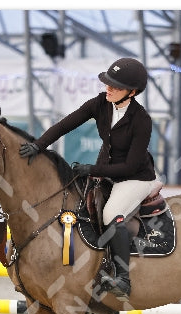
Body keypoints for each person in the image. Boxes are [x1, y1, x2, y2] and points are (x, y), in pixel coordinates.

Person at [19, 57, 161, 300]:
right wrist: (38, 145)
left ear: (132, 92)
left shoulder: (141, 120)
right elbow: (65, 125)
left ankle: (122, 278)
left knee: (110, 214)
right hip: (105, 172)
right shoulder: (100, 103)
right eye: (108, 83)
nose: (109, 88)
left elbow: (130, 166)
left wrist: (93, 170)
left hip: (134, 178)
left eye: (115, 86)